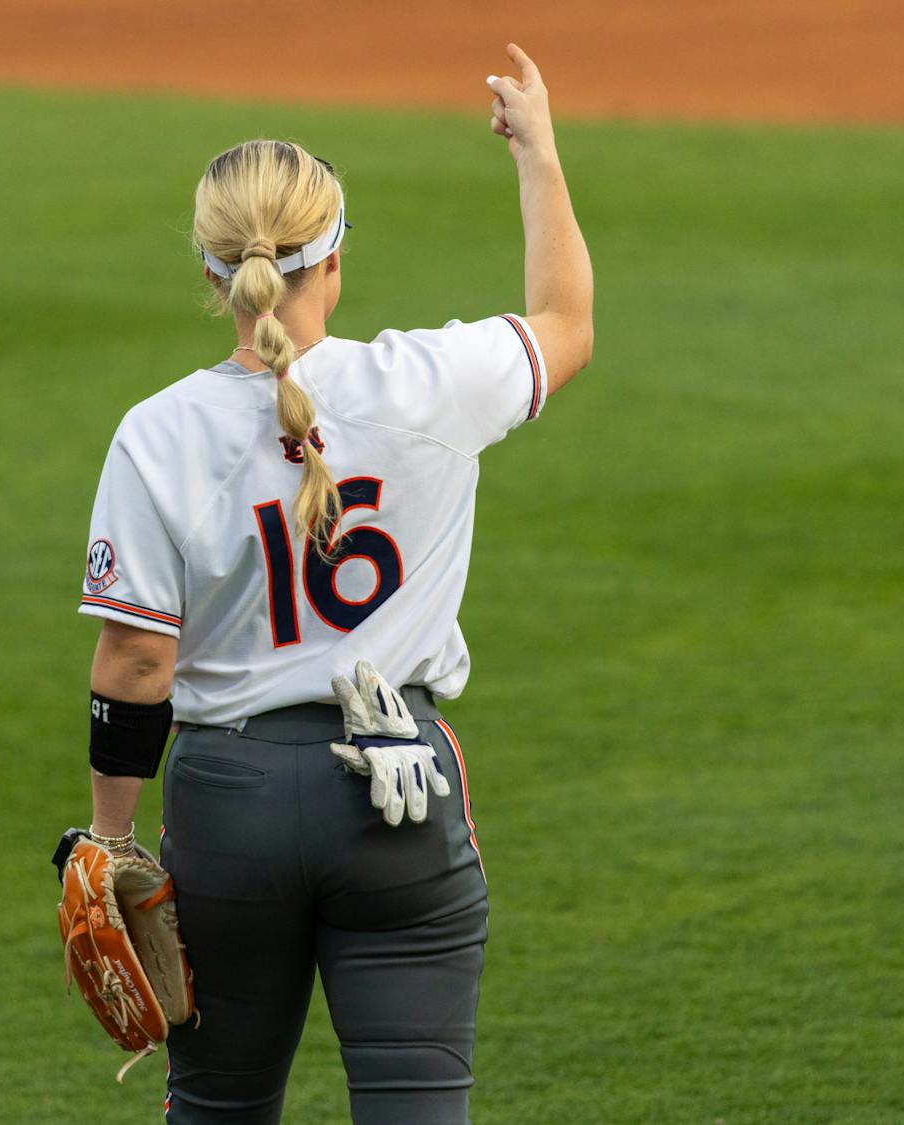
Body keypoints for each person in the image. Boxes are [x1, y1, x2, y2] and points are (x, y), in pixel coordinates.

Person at [75, 43, 593, 1125]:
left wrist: (110, 838)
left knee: (218, 1111)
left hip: (231, 812)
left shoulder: (157, 432)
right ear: (335, 258)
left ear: (213, 271)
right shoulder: (430, 383)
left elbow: (137, 662)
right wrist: (538, 152)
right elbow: (567, 323)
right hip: (398, 804)